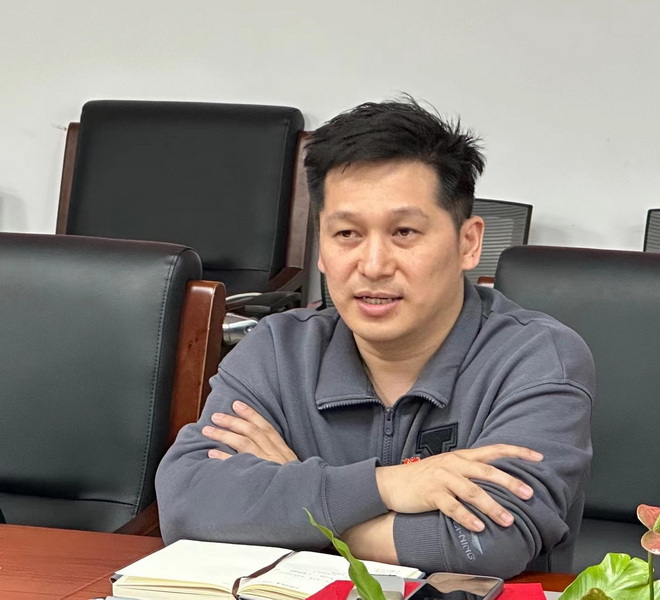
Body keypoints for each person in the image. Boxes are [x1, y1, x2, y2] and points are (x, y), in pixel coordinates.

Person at [155, 97, 594, 579]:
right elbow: (187, 506)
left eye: (404, 232)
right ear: (321, 248)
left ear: (468, 243)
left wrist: (295, 504)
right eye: (347, 234)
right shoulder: (278, 350)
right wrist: (389, 485)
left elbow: (488, 543)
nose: (373, 265)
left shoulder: (539, 358)